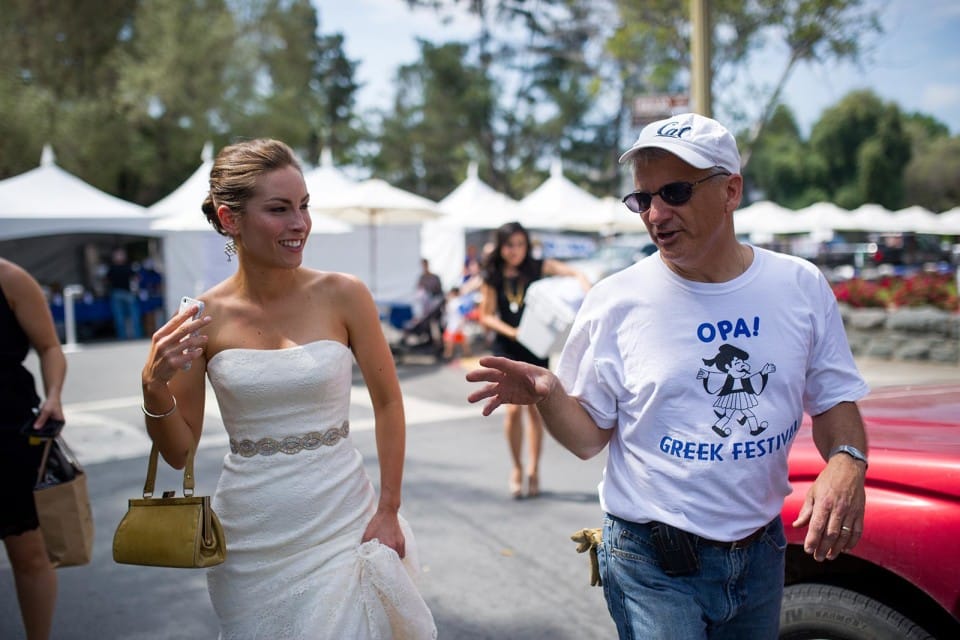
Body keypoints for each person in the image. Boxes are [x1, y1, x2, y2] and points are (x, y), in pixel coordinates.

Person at [466, 113, 869, 638]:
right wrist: (548, 393)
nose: (656, 213)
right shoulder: (617, 301)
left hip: (762, 552)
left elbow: (835, 398)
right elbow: (589, 439)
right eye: (642, 199)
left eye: (675, 192)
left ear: (731, 190)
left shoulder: (799, 285)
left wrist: (847, 461)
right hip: (651, 563)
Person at [139, 138, 436, 639]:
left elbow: (388, 402)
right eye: (279, 209)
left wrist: (389, 509)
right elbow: (177, 454)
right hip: (250, 538)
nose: (300, 223)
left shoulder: (345, 294)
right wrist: (153, 386)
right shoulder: (199, 319)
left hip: (346, 521)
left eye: (303, 206)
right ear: (230, 219)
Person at [477, 221, 590, 499]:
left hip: (536, 343)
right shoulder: (493, 275)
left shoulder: (537, 267)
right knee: (512, 410)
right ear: (501, 247)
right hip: (508, 345)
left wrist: (587, 288)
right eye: (509, 245)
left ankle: (534, 469)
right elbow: (486, 315)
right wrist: (511, 331)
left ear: (526, 245)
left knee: (535, 411)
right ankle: (516, 467)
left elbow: (573, 271)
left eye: (520, 244)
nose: (515, 251)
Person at [0, 258, 68, 640]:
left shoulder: (10, 278)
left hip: (8, 433)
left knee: (28, 553)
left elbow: (49, 347)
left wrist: (54, 395)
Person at [105, 247, 142, 340]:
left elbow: (136, 278)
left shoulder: (128, 266)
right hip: (118, 293)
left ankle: (135, 336)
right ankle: (123, 337)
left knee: (133, 317)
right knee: (120, 317)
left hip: (126, 293)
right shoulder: (112, 267)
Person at [442, 286, 472, 360]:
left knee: (450, 340)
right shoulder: (456, 301)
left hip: (455, 324)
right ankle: (466, 353)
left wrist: (461, 323)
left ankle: (448, 354)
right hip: (455, 324)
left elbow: (462, 313)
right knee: (461, 340)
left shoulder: (456, 302)